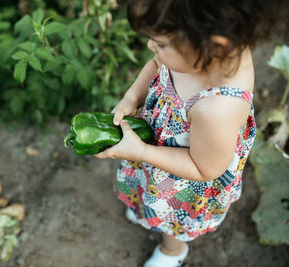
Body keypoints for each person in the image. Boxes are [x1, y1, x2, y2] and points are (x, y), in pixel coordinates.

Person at [94, 0, 285, 266]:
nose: (151, 47)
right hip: (160, 145)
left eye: (160, 44)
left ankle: (173, 250)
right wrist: (132, 95)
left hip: (184, 177)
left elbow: (204, 168)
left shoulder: (217, 108)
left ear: (214, 46)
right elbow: (157, 66)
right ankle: (144, 207)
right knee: (147, 188)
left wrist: (141, 152)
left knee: (170, 217)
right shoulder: (199, 53)